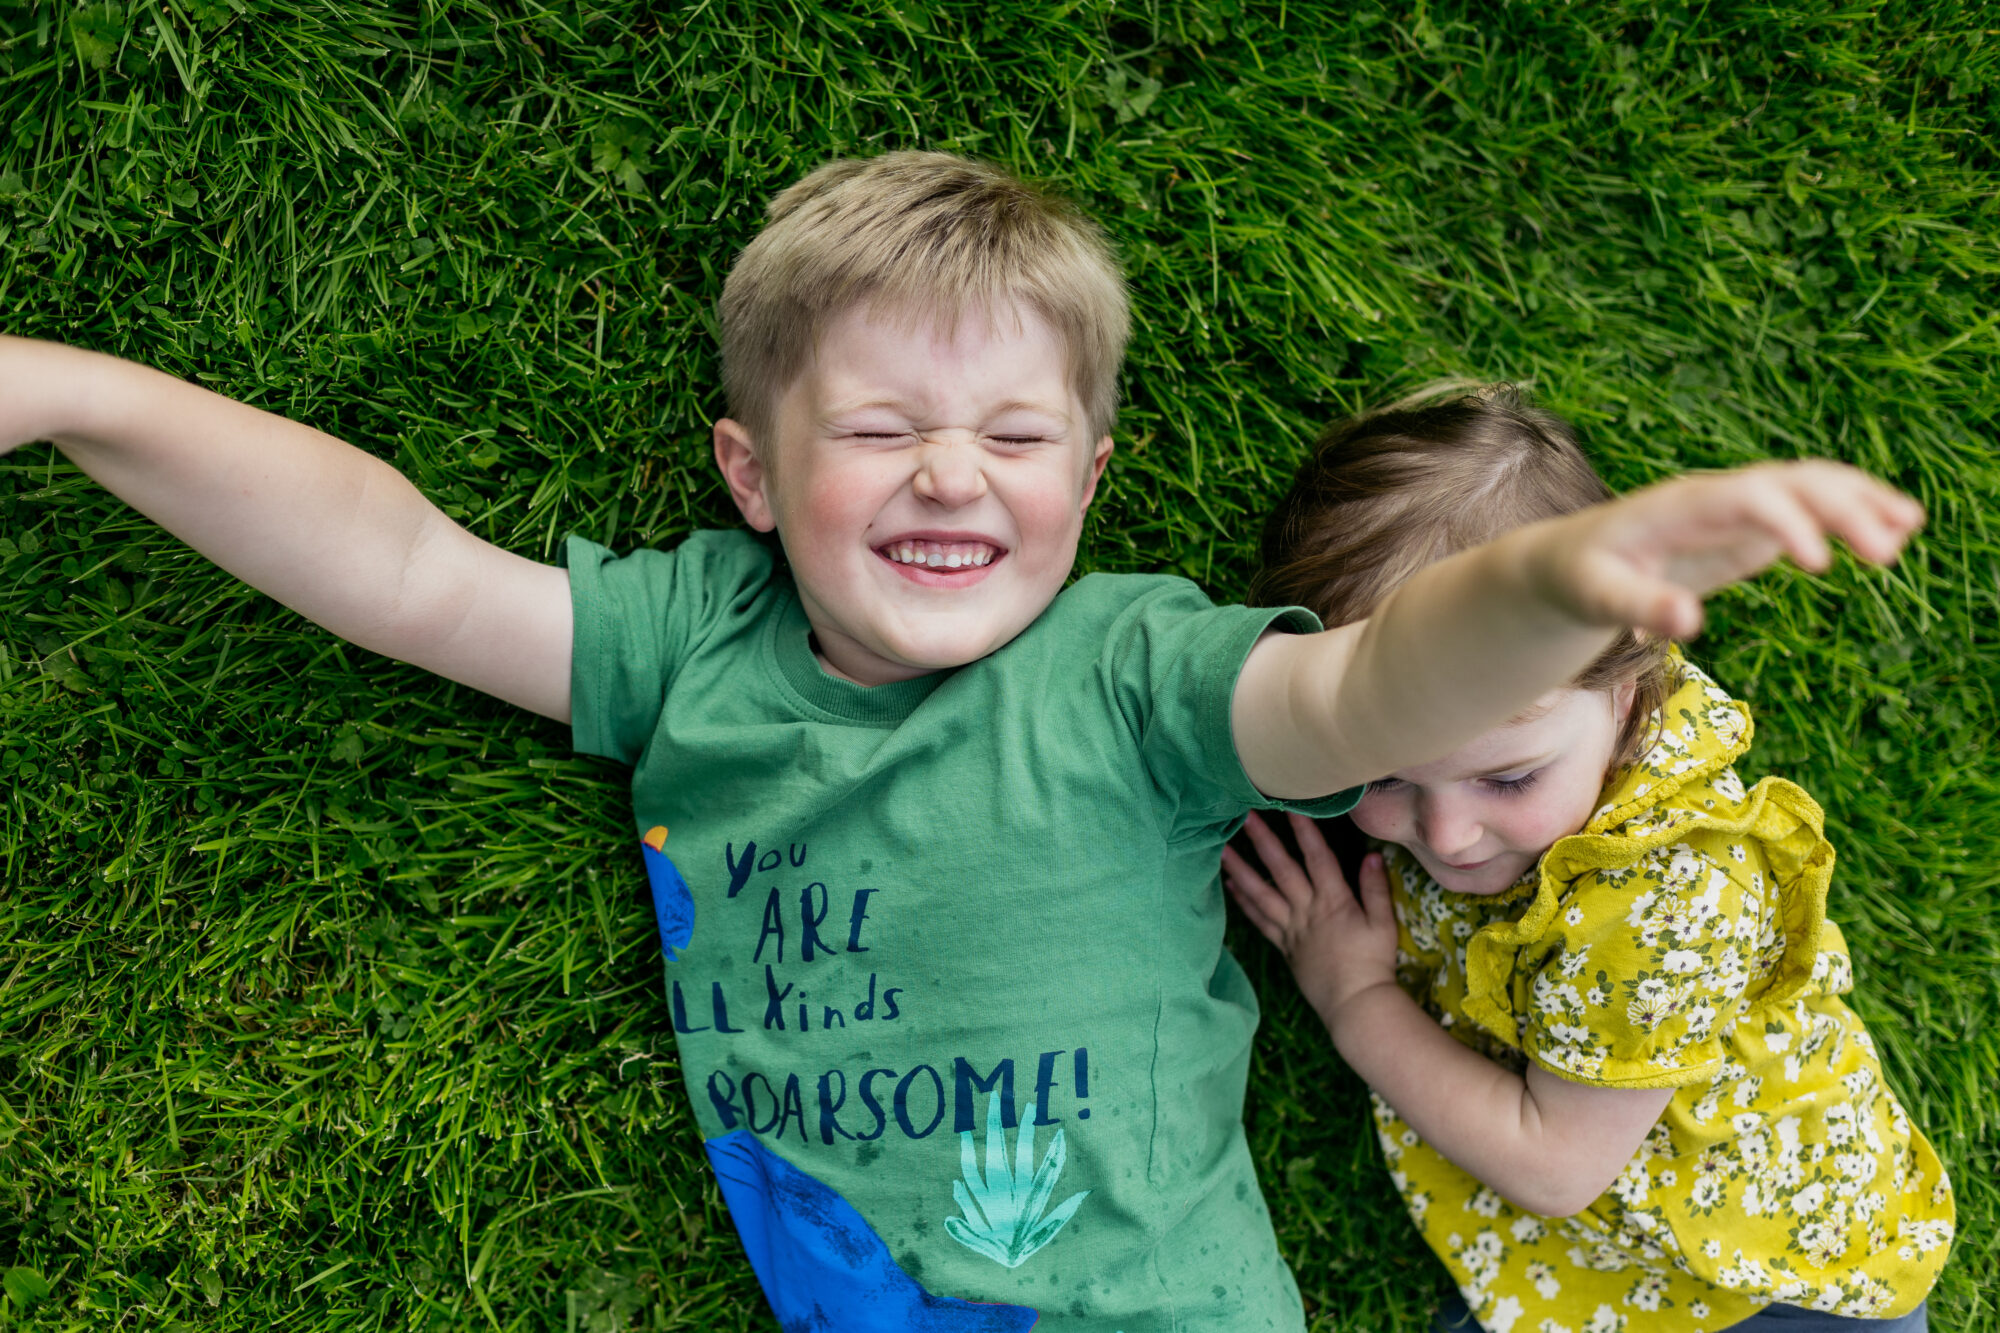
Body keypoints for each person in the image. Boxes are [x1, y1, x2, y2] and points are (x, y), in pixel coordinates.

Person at [0, 155, 1924, 1330]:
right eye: (882, 428)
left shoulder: (1139, 671)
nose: (950, 470)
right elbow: (401, 565)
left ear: (1088, 476)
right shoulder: (689, 640)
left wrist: (1566, 583)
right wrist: (80, 392)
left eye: (1012, 435)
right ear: (753, 473)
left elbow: (1371, 695)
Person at [1224, 387, 1953, 1333]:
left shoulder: (1671, 896)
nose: (1446, 837)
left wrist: (1355, 996)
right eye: (1386, 777)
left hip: (1771, 1285)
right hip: (1614, 1255)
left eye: (1511, 779)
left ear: (1630, 684)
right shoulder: (1536, 732)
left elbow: (1553, 1161)